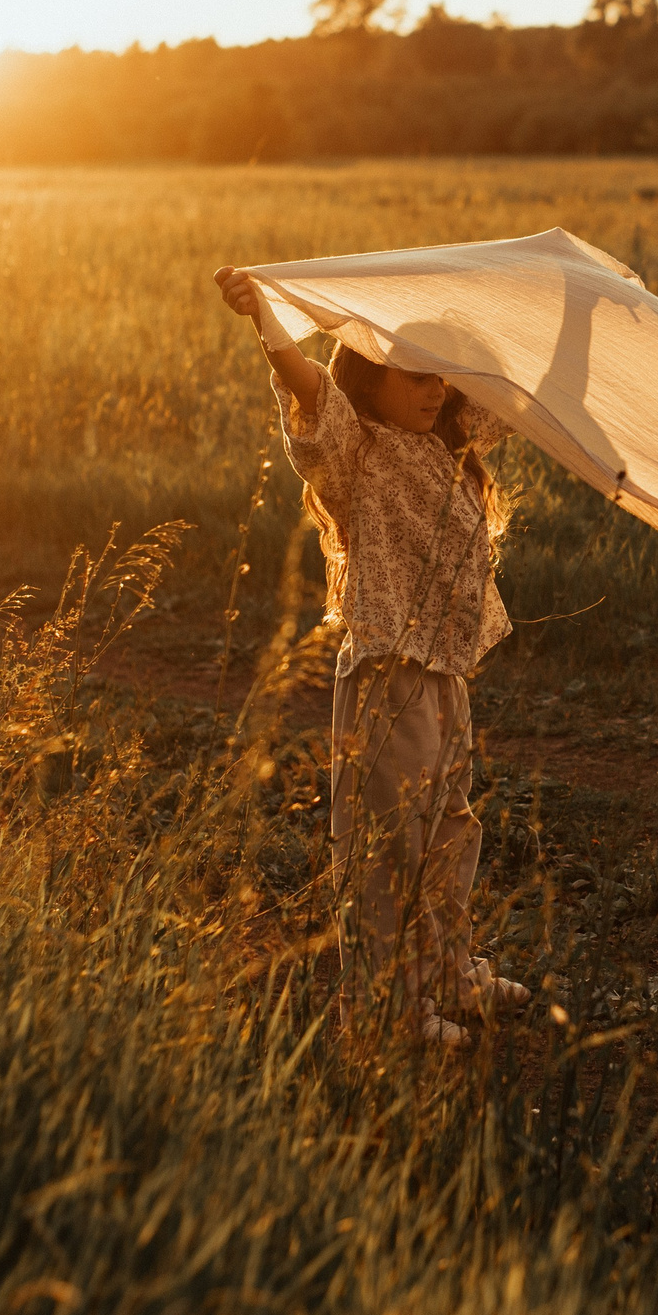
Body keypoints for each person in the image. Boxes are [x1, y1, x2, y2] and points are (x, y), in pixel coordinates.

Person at [215, 265, 531, 1046]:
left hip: (443, 672)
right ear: (372, 375)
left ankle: (448, 969)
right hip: (389, 671)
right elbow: (306, 382)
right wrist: (266, 316)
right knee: (393, 845)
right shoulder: (358, 449)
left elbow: (529, 391)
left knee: (450, 826)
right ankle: (392, 1008)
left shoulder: (449, 438)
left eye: (442, 378)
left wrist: (578, 301)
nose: (435, 391)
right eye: (417, 375)